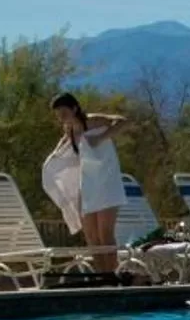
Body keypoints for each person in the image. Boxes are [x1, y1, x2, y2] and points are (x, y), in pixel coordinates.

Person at [43, 92, 127, 275]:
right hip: (88, 184)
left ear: (74, 108)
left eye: (64, 113)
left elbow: (122, 121)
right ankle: (102, 274)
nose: (61, 118)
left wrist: (101, 138)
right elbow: (63, 146)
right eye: (59, 115)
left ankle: (113, 275)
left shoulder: (92, 120)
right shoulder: (70, 130)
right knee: (91, 236)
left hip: (106, 181)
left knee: (105, 234)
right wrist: (52, 158)